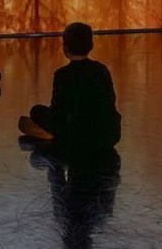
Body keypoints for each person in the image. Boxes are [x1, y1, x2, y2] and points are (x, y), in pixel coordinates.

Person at [18, 22, 121, 157]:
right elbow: (110, 101)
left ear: (65, 48)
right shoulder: (101, 70)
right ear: (91, 45)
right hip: (109, 136)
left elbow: (57, 111)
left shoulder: (62, 75)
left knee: (36, 111)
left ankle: (52, 135)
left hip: (76, 137)